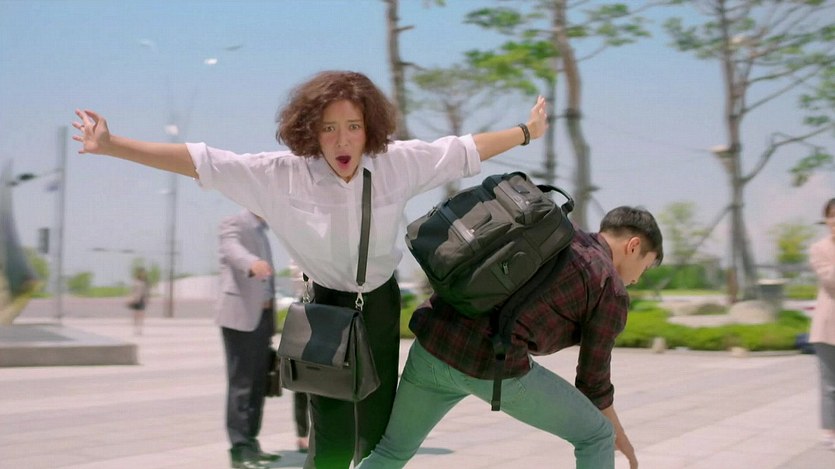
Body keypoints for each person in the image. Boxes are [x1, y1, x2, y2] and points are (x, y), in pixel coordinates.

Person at [72, 69, 547, 469]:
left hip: (379, 301)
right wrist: (112, 145)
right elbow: (203, 162)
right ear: (310, 131)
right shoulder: (281, 174)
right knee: (333, 428)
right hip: (326, 306)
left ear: (369, 128)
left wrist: (527, 132)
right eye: (328, 128)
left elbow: (463, 150)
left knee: (378, 424)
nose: (342, 140)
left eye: (353, 126)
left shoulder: (396, 163)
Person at [356, 206, 664, 469]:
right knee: (597, 435)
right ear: (633, 246)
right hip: (491, 365)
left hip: (434, 342)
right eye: (645, 266)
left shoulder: (556, 231)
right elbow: (593, 384)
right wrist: (618, 435)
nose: (637, 278)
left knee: (391, 452)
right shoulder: (609, 287)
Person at [217, 210, 281, 468]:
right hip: (240, 316)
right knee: (242, 384)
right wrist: (252, 263)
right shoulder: (235, 222)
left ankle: (251, 443)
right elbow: (231, 249)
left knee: (258, 384)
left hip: (263, 317)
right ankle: (239, 449)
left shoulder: (262, 231)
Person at [810, 197, 835, 451]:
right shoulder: (819, 249)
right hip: (829, 327)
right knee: (830, 384)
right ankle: (830, 431)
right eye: (831, 216)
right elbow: (830, 280)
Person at [287, 259, 310, 453]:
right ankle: (303, 435)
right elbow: (296, 275)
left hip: (330, 304)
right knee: (301, 378)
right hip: (306, 306)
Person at [126, 266, 149, 336]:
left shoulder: (145, 281)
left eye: (143, 273)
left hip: (142, 299)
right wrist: (130, 298)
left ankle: (140, 329)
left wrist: (147, 298)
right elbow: (132, 290)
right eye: (141, 273)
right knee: (136, 314)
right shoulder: (136, 281)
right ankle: (135, 328)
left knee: (141, 314)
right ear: (139, 273)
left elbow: (146, 291)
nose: (143, 274)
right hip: (136, 299)